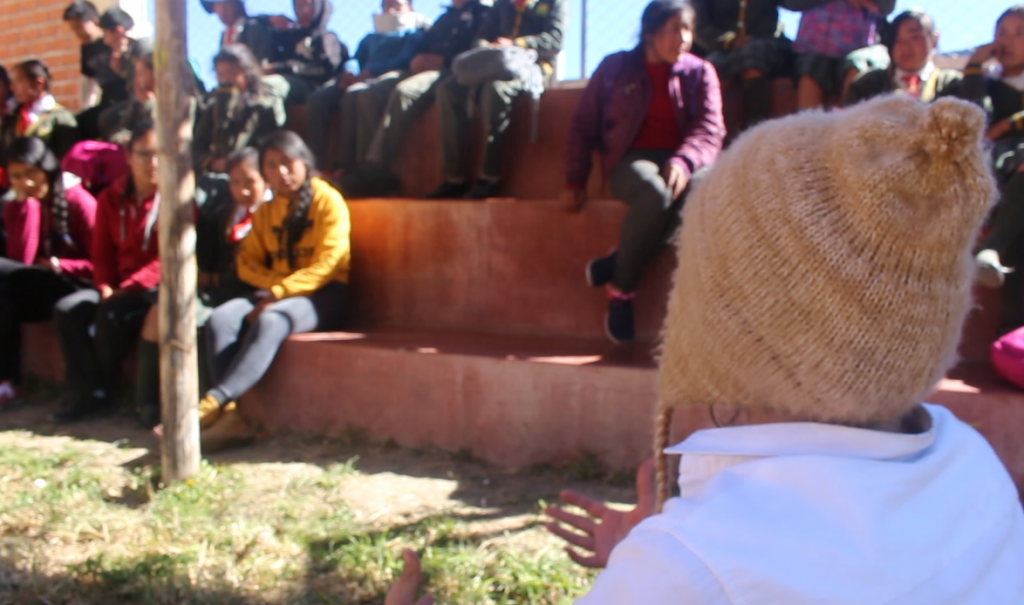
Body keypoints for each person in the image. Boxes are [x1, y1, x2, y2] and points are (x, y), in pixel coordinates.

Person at [393, 95, 1024, 605]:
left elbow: (711, 575)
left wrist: (658, 566)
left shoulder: (693, 569)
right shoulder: (971, 463)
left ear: (736, 309)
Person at [563, 0, 724, 344]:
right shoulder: (615, 68)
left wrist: (684, 161)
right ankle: (622, 292)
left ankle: (619, 271)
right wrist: (575, 179)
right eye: (674, 28)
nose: (683, 38)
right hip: (629, 159)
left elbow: (710, 129)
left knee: (701, 195)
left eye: (688, 29)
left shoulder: (701, 72)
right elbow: (582, 125)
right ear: (650, 31)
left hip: (685, 159)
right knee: (655, 194)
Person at [198, 131, 350, 451]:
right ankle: (235, 418)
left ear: (303, 162)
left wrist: (280, 292)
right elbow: (245, 263)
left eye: (287, 162)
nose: (280, 172)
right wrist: (275, 285)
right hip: (277, 290)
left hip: (324, 294)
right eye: (270, 165)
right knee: (220, 319)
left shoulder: (327, 200)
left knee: (272, 319)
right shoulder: (267, 211)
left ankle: (215, 400)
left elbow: (328, 263)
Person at [136, 148, 265, 428]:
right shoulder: (223, 214)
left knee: (200, 322)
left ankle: (202, 408)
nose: (242, 190)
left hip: (248, 292)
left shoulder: (271, 214)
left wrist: (212, 280)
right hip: (214, 289)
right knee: (160, 311)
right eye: (235, 182)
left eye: (250, 181)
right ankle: (148, 404)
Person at [50, 122, 160, 423]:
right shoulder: (112, 197)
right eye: (144, 154)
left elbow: (168, 259)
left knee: (110, 316)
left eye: (159, 154)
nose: (152, 163)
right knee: (68, 310)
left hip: (149, 290)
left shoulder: (174, 198)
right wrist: (105, 285)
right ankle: (84, 391)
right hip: (115, 287)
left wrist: (127, 288)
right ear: (128, 155)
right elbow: (101, 253)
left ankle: (106, 388)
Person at [341, 0, 493, 197]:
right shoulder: (445, 18)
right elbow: (423, 45)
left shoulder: (483, 13)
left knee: (405, 92)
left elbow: (480, 49)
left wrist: (444, 59)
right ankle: (364, 170)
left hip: (454, 70)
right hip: (422, 69)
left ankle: (375, 168)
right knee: (370, 93)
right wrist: (418, 59)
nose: (391, 8)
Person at [427, 0, 568, 199]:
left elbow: (555, 39)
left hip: (533, 66)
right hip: (493, 64)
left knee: (495, 90)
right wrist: (488, 47)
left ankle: (489, 176)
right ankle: (454, 178)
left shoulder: (554, 3)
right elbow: (481, 38)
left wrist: (516, 44)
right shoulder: (501, 4)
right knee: (448, 90)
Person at [0, 137, 96, 410]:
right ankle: (8, 382)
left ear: (47, 168)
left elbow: (101, 263)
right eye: (17, 176)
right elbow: (21, 258)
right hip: (42, 282)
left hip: (79, 284)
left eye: (32, 173)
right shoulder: (19, 204)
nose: (26, 182)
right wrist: (27, 209)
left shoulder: (78, 200)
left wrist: (58, 264)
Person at [304, 0, 429, 170]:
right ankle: (314, 164)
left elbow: (405, 60)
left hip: (383, 78)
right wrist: (350, 71)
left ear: (410, 7)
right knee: (318, 99)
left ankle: (351, 164)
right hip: (359, 77)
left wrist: (370, 72)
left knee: (354, 95)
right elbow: (356, 59)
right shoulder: (371, 38)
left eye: (397, 4)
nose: (391, 9)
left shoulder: (413, 35)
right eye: (387, 5)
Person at [960, 5, 1024, 334]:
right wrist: (974, 66)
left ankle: (993, 247)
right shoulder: (989, 83)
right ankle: (1010, 339)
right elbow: (975, 120)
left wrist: (1009, 124)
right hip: (996, 166)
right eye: (1002, 32)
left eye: (1020, 33)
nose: (1008, 40)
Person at [692, 0, 793, 131]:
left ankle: (757, 130)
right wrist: (730, 41)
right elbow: (698, 26)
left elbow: (795, 4)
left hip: (768, 48)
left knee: (754, 55)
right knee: (706, 72)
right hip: (718, 52)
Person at [789, 0, 894, 110]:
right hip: (810, 50)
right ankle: (807, 120)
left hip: (858, 50)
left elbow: (888, 5)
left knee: (857, 70)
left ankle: (851, 119)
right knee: (809, 73)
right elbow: (791, 3)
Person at [845, 9, 962, 106]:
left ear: (934, 39)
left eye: (914, 37)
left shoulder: (951, 84)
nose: (905, 47)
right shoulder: (869, 83)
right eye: (897, 40)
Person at [193, 45, 279, 175]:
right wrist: (212, 163)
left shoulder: (263, 107)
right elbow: (197, 148)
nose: (226, 80)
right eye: (220, 74)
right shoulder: (212, 109)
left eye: (232, 73)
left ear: (247, 73)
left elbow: (269, 147)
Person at [264, 0, 348, 105]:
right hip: (288, 81)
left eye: (307, 5)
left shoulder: (327, 38)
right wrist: (269, 19)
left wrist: (281, 68)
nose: (303, 11)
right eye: (298, 6)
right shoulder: (291, 36)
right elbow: (252, 23)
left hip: (313, 87)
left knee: (269, 86)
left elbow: (324, 69)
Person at [0, 60, 79, 162]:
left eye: (18, 81)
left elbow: (67, 160)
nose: (12, 88)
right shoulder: (11, 118)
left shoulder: (60, 118)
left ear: (38, 83)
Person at [93, 8, 153, 140]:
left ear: (119, 31)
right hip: (136, 102)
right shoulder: (129, 50)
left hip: (148, 104)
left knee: (109, 120)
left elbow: (144, 84)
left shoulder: (143, 47)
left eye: (106, 34)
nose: (105, 41)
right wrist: (120, 69)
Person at [63, 1, 115, 139]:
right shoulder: (87, 48)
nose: (78, 34)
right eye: (74, 30)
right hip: (106, 100)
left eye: (79, 27)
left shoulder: (112, 41)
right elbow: (87, 82)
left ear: (95, 21)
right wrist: (85, 107)